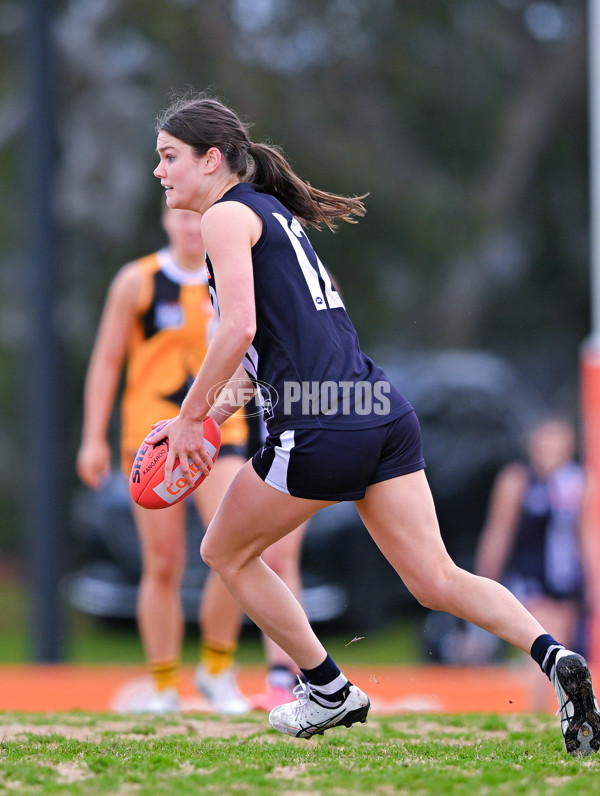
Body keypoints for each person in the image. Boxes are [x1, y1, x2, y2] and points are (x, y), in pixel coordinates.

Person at [149, 92, 600, 755]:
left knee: (222, 551)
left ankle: (327, 689)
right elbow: (256, 359)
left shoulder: (224, 217)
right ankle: (554, 653)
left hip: (323, 423)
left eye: (168, 157)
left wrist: (187, 418)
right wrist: (207, 420)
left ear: (211, 159)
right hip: (376, 408)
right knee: (437, 579)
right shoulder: (269, 215)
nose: (159, 172)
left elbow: (239, 326)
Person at [76, 204, 303, 714]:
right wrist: (93, 437)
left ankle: (217, 671)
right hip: (151, 440)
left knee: (233, 550)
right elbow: (107, 361)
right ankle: (162, 685)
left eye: (194, 218)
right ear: (163, 221)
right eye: (177, 217)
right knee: (162, 564)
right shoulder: (137, 282)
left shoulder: (233, 277)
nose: (186, 226)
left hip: (219, 435)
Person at [475, 416, 588, 709]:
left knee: (564, 645)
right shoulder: (518, 479)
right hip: (531, 575)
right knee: (548, 641)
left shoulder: (577, 482)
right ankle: (537, 712)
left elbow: (587, 537)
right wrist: (484, 577)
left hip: (567, 578)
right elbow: (499, 531)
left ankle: (556, 711)